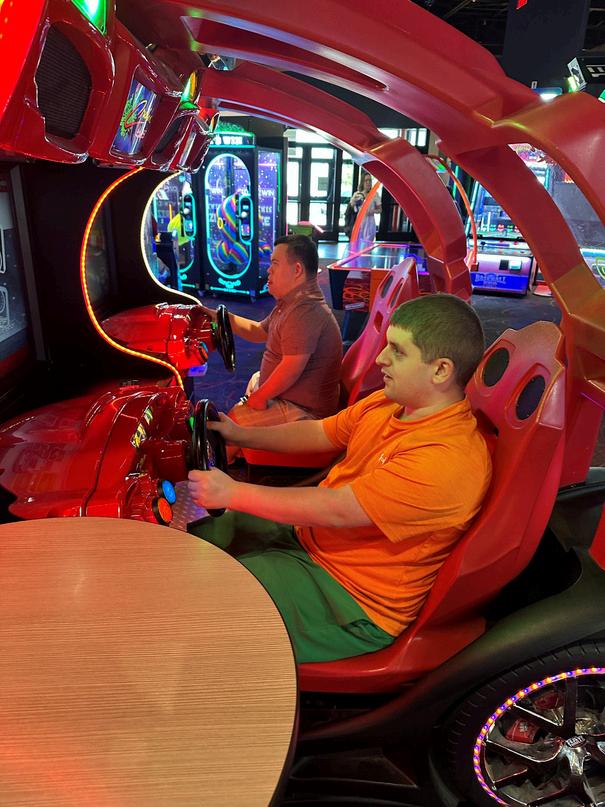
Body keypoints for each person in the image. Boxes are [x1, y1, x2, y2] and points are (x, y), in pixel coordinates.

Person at [187, 294, 492, 664]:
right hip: (314, 540)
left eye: (397, 351)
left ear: (441, 370)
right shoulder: (392, 402)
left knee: (202, 603)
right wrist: (242, 435)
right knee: (198, 541)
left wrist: (232, 493)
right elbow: (320, 433)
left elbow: (337, 509)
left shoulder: (446, 459)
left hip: (351, 598)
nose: (381, 359)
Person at [200, 235, 342, 447]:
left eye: (275, 263)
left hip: (305, 412)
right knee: (255, 380)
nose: (269, 270)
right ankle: (244, 445)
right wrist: (221, 318)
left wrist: (260, 397)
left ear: (297, 270)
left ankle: (226, 458)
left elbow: (291, 367)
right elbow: (259, 331)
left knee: (229, 429)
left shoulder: (305, 311)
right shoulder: (291, 303)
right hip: (292, 397)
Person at [348, 172, 382, 245]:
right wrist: (353, 202)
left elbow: (380, 210)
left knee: (368, 245)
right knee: (357, 245)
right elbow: (352, 208)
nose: (368, 182)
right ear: (362, 182)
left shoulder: (375, 194)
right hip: (359, 222)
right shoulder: (357, 194)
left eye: (369, 180)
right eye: (366, 180)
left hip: (370, 222)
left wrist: (372, 211)